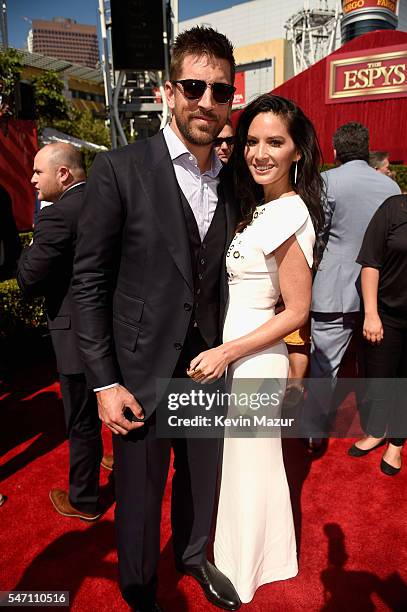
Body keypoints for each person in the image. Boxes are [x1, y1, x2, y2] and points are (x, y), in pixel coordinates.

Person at [72, 27, 241, 612]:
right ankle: (140, 590)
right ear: (170, 91)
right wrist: (103, 380)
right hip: (138, 369)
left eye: (219, 91)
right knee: (140, 496)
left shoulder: (234, 180)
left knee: (201, 477)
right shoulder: (121, 169)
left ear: (230, 99)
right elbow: (88, 282)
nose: (206, 101)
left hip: (207, 367)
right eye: (194, 86)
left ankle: (194, 557)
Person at [188, 93, 324, 603]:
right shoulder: (261, 209)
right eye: (251, 141)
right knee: (246, 468)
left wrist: (227, 352)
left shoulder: (290, 215)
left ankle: (245, 570)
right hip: (237, 358)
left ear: (297, 152)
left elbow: (295, 311)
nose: (259, 152)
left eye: (275, 142)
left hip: (254, 362)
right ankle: (260, 556)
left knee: (250, 468)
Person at [17, 143, 112, 521]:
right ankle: (121, 462)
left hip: (75, 333)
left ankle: (84, 500)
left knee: (82, 420)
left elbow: (27, 277)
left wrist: (37, 237)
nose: (32, 179)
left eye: (39, 172)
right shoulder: (108, 202)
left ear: (64, 174)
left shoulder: (57, 216)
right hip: (115, 326)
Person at [305, 123, 401, 441]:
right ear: (366, 148)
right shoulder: (388, 187)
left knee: (324, 365)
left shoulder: (327, 180)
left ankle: (314, 431)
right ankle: (375, 426)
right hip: (382, 293)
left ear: (335, 151)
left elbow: (316, 235)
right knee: (373, 365)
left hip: (334, 289)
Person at [348, 194, 407, 475]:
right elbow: (371, 262)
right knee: (379, 379)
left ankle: (396, 443)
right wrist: (371, 313)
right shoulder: (393, 208)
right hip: (387, 314)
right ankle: (376, 431)